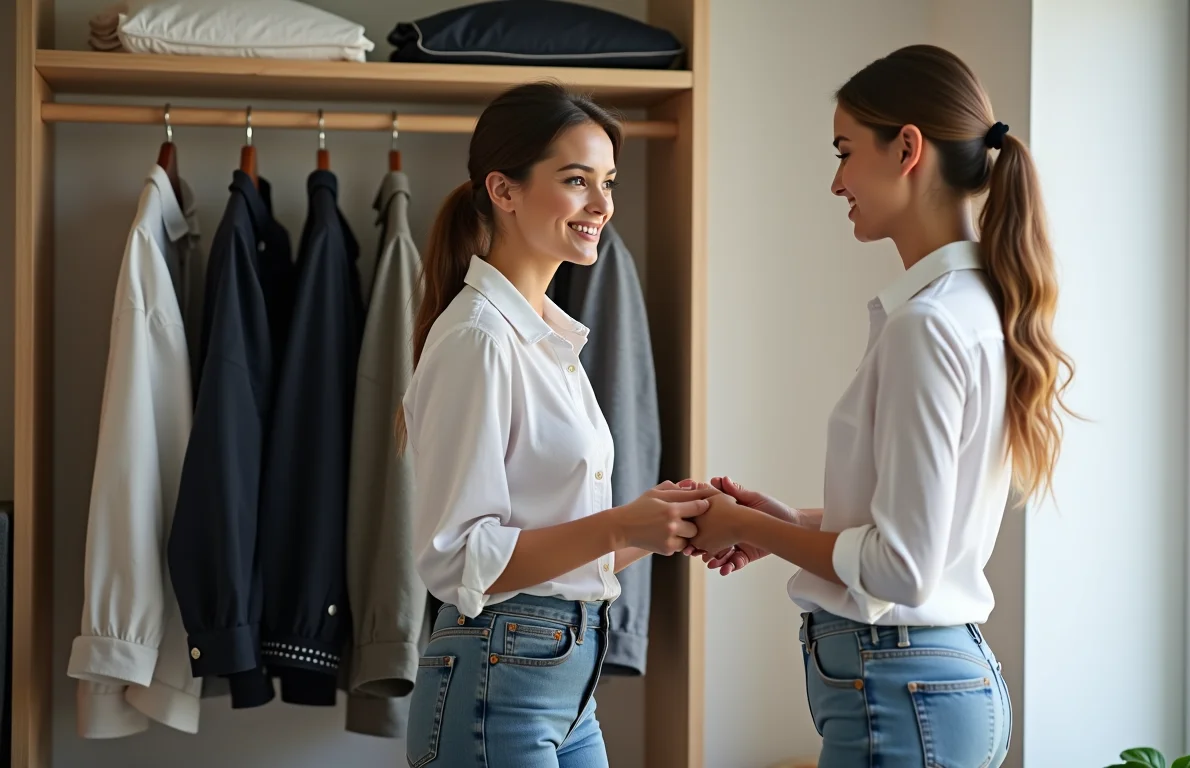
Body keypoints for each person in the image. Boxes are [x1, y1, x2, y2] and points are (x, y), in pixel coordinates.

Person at [684, 44, 1074, 766]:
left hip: (902, 689)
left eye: (844, 151)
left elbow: (902, 567)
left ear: (907, 149)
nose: (836, 182)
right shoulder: (971, 308)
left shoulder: (926, 324)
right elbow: (918, 529)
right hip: (928, 689)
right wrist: (779, 522)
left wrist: (741, 522)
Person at [400, 82, 715, 767]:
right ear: (504, 191)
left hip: (563, 680)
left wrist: (666, 525)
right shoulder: (480, 340)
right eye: (577, 181)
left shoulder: (549, 340)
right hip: (498, 674)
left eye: (607, 182)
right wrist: (620, 526)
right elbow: (460, 558)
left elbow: (555, 557)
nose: (602, 205)